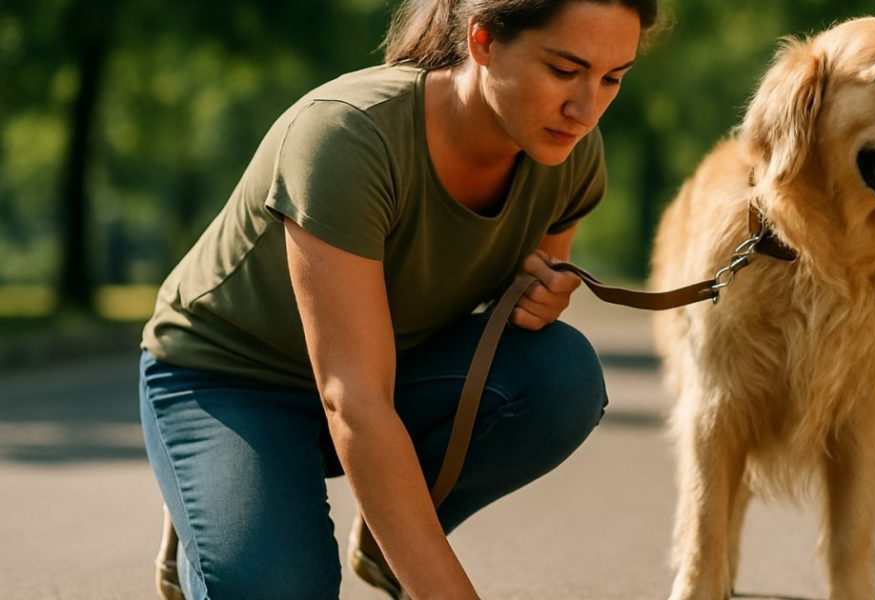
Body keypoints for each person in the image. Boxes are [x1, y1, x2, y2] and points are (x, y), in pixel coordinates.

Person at [138, 0, 659, 597]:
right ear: (483, 42)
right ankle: (216, 508)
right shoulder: (345, 135)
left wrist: (537, 299)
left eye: (612, 78)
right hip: (231, 381)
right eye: (564, 71)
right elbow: (353, 400)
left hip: (392, 371)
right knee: (273, 588)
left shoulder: (567, 152)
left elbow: (512, 317)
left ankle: (390, 544)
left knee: (559, 374)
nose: (586, 109)